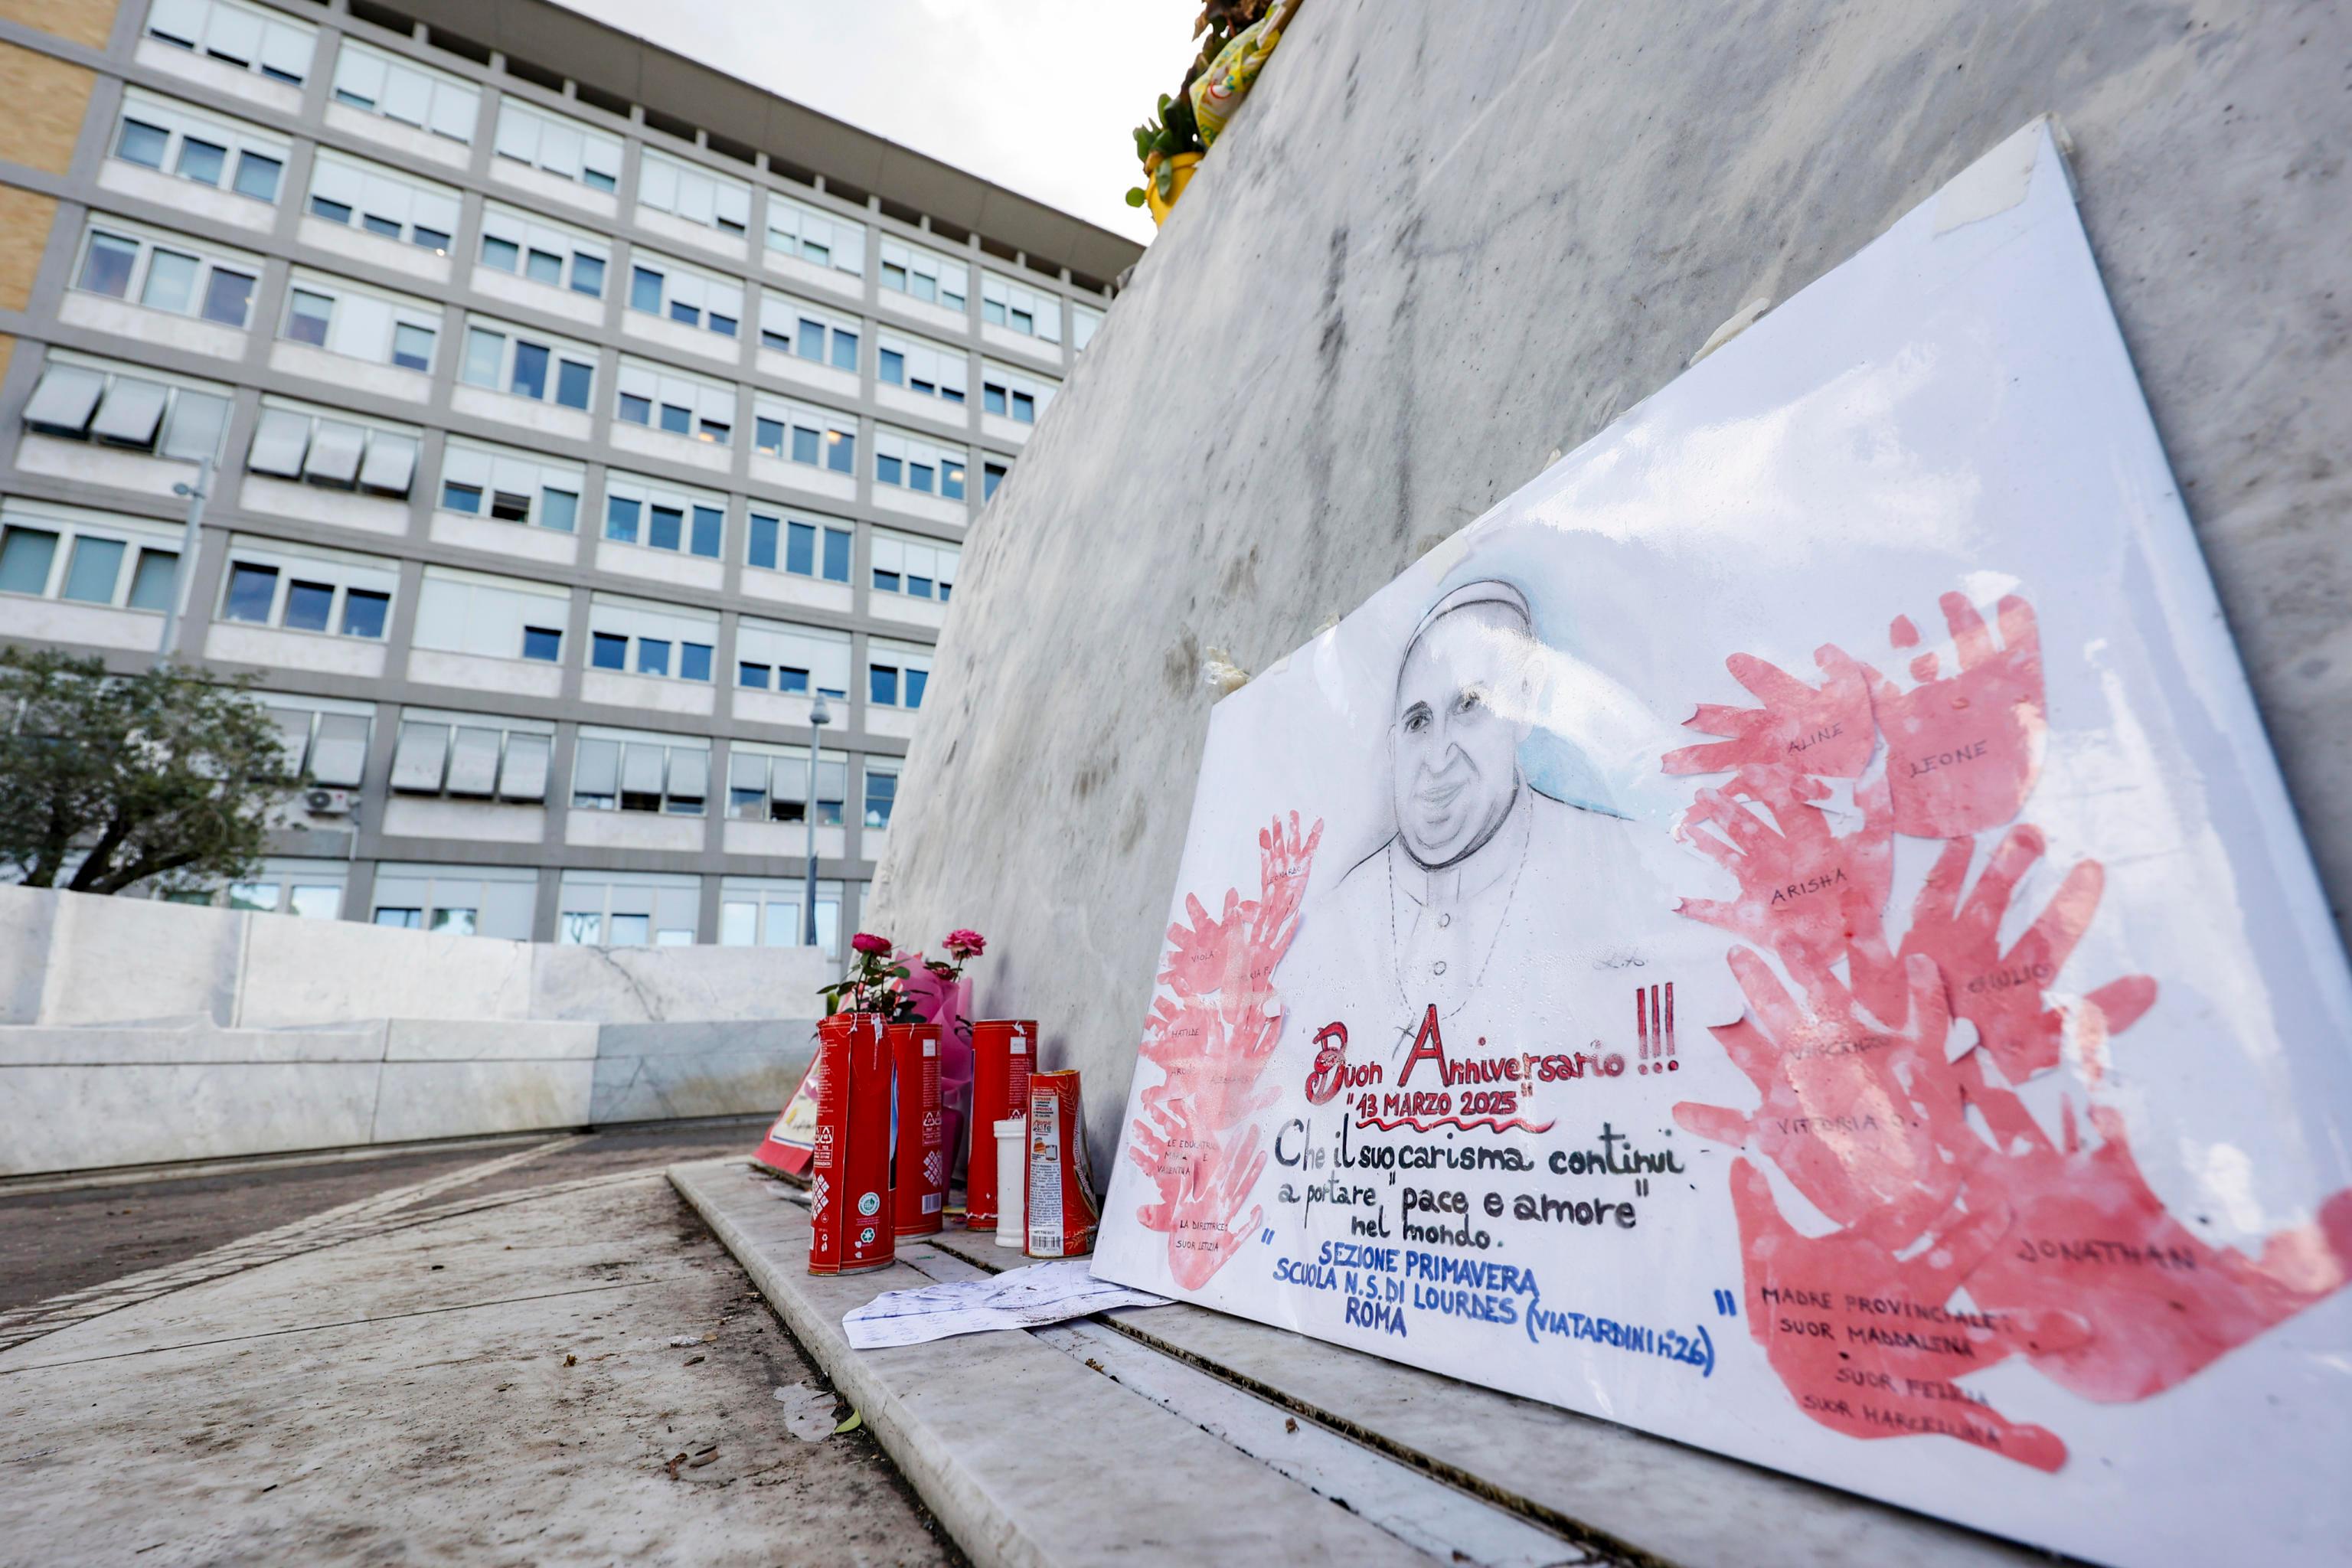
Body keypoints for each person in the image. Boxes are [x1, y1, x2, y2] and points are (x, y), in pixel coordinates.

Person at [1279, 580, 1730, 1063]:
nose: (1436, 757)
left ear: (1525, 703)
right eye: (1418, 722)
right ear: (1393, 747)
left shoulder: (1642, 878)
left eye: (1469, 705)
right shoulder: (1331, 927)